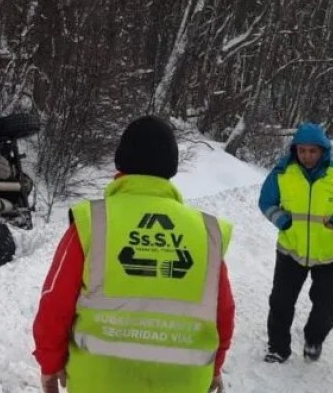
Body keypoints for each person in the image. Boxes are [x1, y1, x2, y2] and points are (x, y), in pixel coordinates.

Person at [32, 116, 235, 393]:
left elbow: (55, 302)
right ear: (171, 167)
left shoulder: (93, 222)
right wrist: (215, 366)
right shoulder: (206, 231)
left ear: (121, 161)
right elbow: (223, 311)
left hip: (99, 381)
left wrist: (50, 363)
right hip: (182, 383)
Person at [259, 122, 333, 363]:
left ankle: (314, 338)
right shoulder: (282, 173)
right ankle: (278, 347)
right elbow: (266, 202)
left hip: (330, 254)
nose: (307, 156)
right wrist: (281, 220)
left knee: (326, 304)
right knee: (280, 302)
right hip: (291, 250)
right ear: (294, 150)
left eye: (313, 151)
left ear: (323, 150)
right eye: (302, 151)